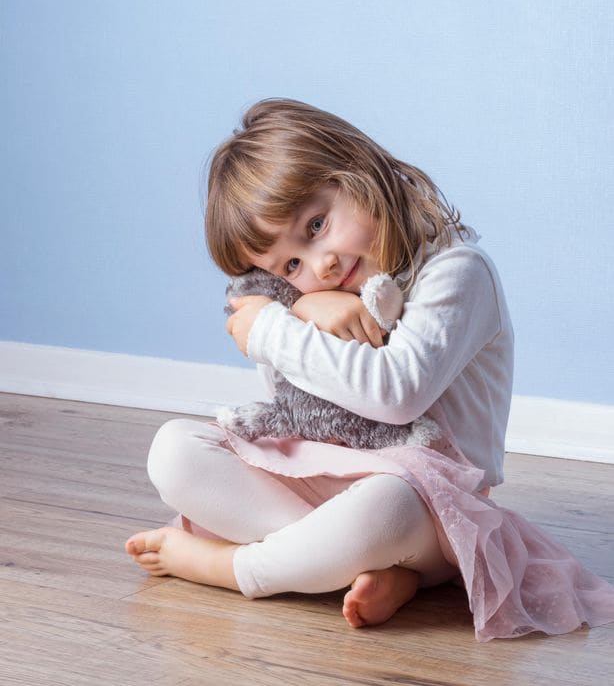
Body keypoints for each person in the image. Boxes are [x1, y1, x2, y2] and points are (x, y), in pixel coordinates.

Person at [125, 99, 614, 641]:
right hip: (329, 477)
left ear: (356, 172)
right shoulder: (310, 298)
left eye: (316, 225)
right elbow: (302, 409)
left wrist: (272, 328)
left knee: (385, 505)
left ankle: (240, 567)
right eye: (290, 265)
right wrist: (305, 309)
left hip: (429, 497)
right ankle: (378, 567)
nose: (320, 265)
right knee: (174, 449)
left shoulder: (457, 274)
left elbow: (395, 395)